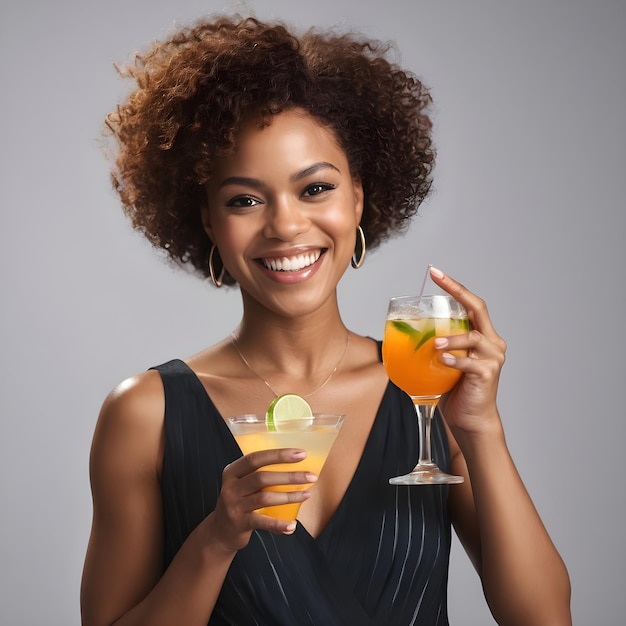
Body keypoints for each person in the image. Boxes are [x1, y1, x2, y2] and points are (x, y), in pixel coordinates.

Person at [80, 15, 571, 626]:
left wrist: (482, 431)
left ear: (359, 198)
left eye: (315, 189)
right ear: (208, 221)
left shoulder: (427, 393)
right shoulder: (144, 415)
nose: (285, 225)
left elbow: (545, 618)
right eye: (245, 199)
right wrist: (216, 539)